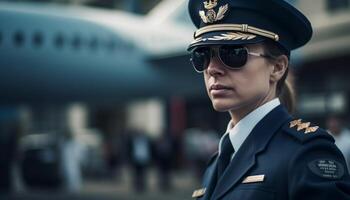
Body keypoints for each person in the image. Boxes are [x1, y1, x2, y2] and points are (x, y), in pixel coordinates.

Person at [186, 0, 350, 199]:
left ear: (277, 67)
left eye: (233, 53)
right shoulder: (217, 162)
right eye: (202, 55)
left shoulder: (307, 152)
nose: (212, 68)